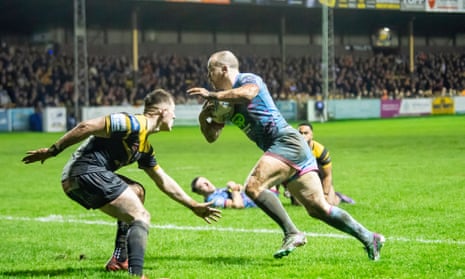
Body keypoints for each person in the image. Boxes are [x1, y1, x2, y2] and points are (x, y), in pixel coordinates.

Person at [187, 50, 384, 260]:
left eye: (211, 71)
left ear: (224, 69)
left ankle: (292, 233)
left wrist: (212, 94)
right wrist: (203, 119)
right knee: (318, 209)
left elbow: (249, 94)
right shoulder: (222, 102)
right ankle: (369, 237)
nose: (209, 77)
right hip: (287, 149)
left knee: (253, 187)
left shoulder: (247, 80)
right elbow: (212, 137)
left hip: (285, 142)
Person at [22, 89, 222, 278]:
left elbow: (163, 180)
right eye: (174, 112)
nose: (175, 117)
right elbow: (86, 127)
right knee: (141, 215)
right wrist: (53, 150)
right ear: (163, 112)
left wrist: (193, 205)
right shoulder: (131, 123)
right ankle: (137, 275)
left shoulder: (144, 146)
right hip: (85, 172)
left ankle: (120, 259)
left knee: (137, 192)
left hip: (78, 179)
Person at [287, 122, 355, 206]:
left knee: (329, 203)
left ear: (312, 135)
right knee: (299, 204)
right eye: (300, 133)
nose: (303, 135)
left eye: (306, 133)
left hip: (321, 179)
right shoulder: (292, 151)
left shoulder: (320, 151)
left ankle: (338, 197)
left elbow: (327, 175)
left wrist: (325, 195)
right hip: (304, 180)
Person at [191, 176, 257, 209]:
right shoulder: (214, 201)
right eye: (202, 185)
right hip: (257, 200)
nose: (207, 184)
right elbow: (238, 205)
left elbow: (242, 189)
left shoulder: (218, 191)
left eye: (206, 181)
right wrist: (234, 189)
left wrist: (238, 188)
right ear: (199, 193)